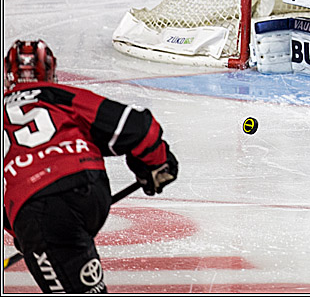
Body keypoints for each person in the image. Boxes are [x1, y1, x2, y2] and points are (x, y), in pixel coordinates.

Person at [2, 40, 178, 294]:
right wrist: (154, 164)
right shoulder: (61, 97)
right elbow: (138, 128)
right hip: (89, 190)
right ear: (51, 72)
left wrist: (22, 232)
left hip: (38, 209)